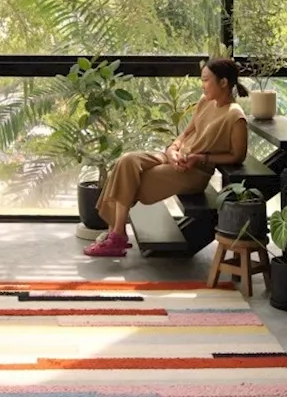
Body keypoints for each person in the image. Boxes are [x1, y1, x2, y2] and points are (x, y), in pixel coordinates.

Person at [84, 58, 250, 258]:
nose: (202, 85)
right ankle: (116, 234)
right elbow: (186, 134)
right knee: (127, 161)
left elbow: (237, 156)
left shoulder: (235, 116)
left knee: (133, 180)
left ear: (223, 82)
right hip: (175, 158)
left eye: (206, 80)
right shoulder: (205, 102)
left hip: (193, 172)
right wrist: (172, 148)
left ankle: (116, 235)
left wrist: (200, 158)